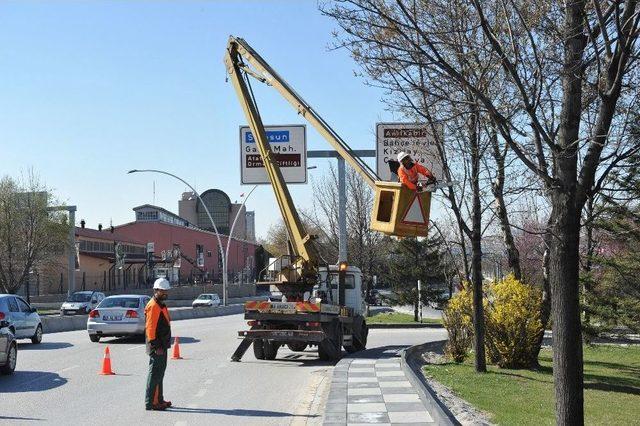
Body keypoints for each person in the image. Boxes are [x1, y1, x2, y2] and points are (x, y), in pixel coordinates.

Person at [145, 277, 172, 411]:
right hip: (157, 347)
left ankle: (159, 399)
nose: (165, 293)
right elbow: (150, 328)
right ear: (156, 290)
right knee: (155, 374)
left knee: (160, 374)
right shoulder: (153, 306)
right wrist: (156, 347)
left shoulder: (161, 304)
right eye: (162, 291)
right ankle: (152, 402)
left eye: (166, 290)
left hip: (162, 345)